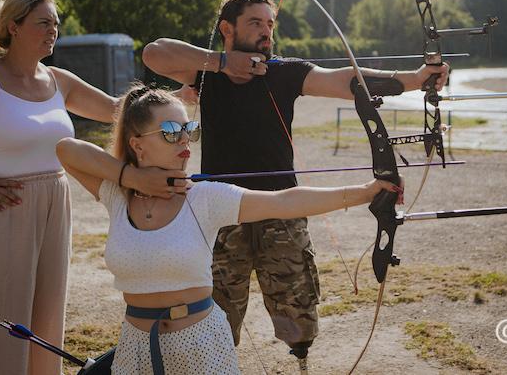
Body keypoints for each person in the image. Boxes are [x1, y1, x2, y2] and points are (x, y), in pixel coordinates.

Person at [141, 0, 448, 361]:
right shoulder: (207, 72)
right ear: (227, 29)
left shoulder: (283, 73)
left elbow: (344, 81)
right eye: (255, 23)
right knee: (214, 321)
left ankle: (300, 353)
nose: (266, 31)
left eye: (269, 23)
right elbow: (154, 53)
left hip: (281, 212)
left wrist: (416, 79)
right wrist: (222, 63)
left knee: (299, 321)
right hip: (221, 214)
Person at [0, 0, 183, 374]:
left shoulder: (59, 80)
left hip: (56, 205)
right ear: (13, 27)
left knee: (47, 321)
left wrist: (177, 98)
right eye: (43, 22)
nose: (53, 30)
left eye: (55, 22)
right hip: (1, 207)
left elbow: (116, 111)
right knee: (0, 325)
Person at [54, 83, 402, 374]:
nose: (186, 142)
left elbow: (284, 202)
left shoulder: (203, 197)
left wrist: (365, 192)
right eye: (172, 133)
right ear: (137, 144)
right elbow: (65, 148)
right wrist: (131, 177)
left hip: (202, 344)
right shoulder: (116, 195)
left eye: (190, 130)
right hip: (137, 347)